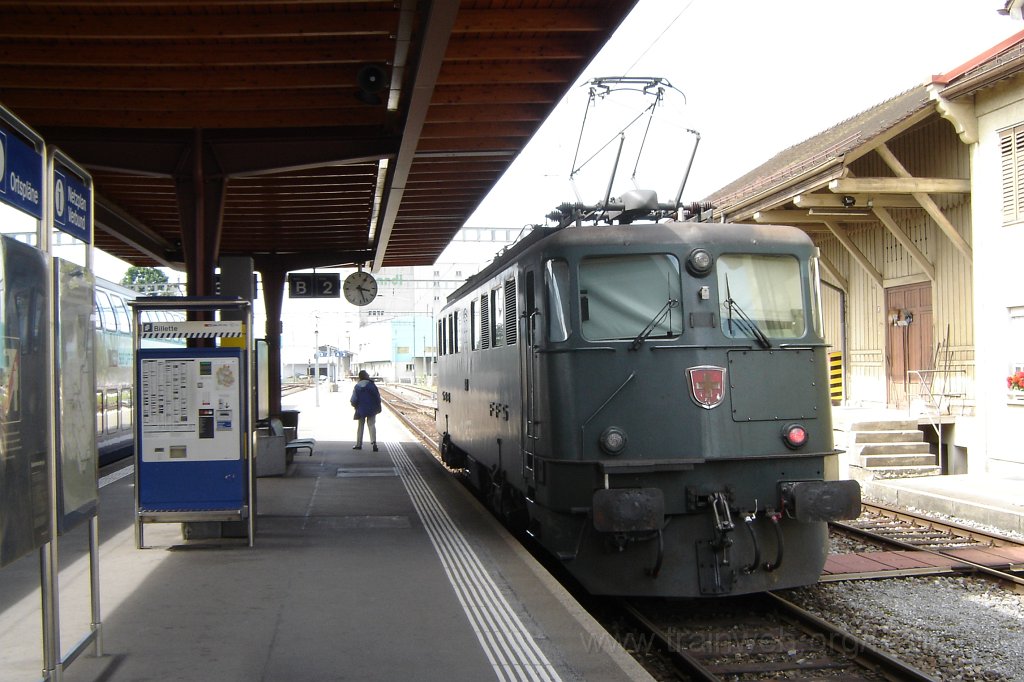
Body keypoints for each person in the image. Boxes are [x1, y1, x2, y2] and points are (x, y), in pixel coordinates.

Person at [350, 370, 382, 451]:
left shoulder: (357, 386)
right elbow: (377, 397)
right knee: (371, 425)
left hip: (361, 409)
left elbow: (353, 399)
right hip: (371, 409)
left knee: (360, 426)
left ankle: (358, 444)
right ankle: (374, 443)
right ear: (367, 376)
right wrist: (378, 407)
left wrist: (355, 406)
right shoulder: (372, 385)